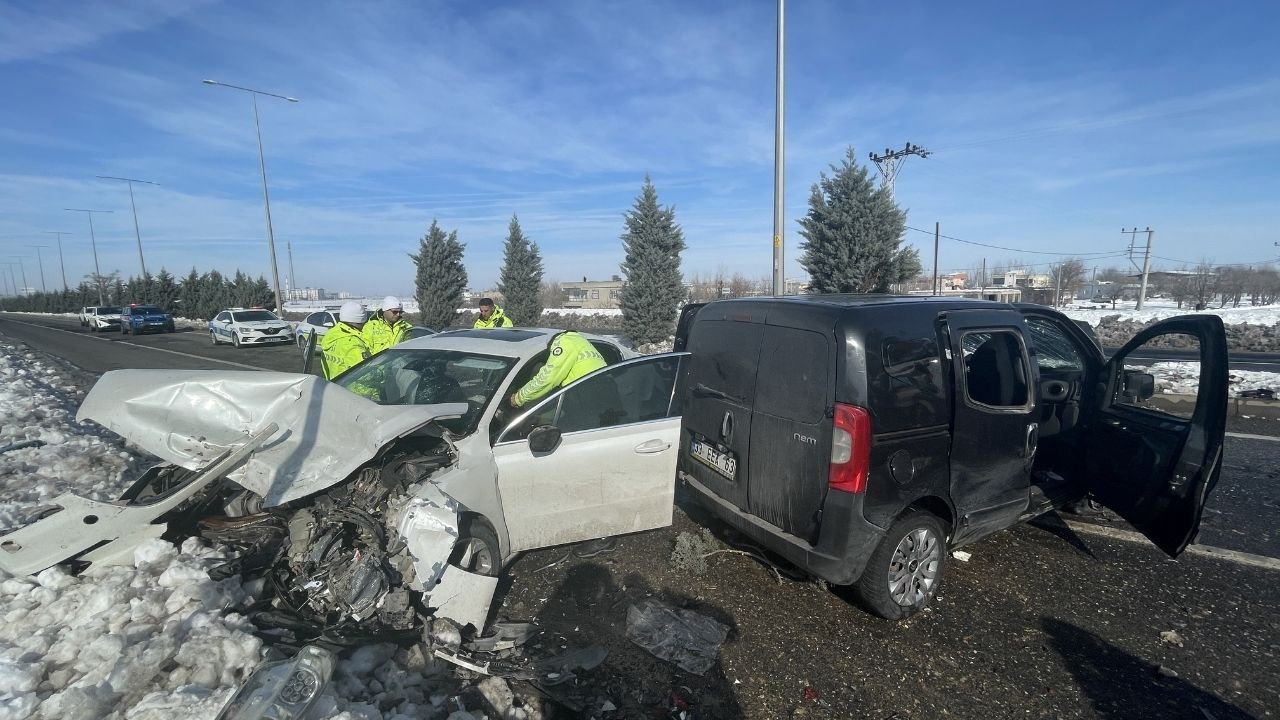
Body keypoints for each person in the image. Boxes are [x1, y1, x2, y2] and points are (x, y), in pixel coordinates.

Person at [508, 330, 606, 408]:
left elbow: (548, 378)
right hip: (605, 391)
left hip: (587, 393)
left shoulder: (564, 342)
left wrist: (518, 398)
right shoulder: (580, 341)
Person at [320, 301, 371, 380]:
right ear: (361, 321)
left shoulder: (331, 335)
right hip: (356, 390)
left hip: (334, 386)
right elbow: (367, 376)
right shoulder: (353, 344)